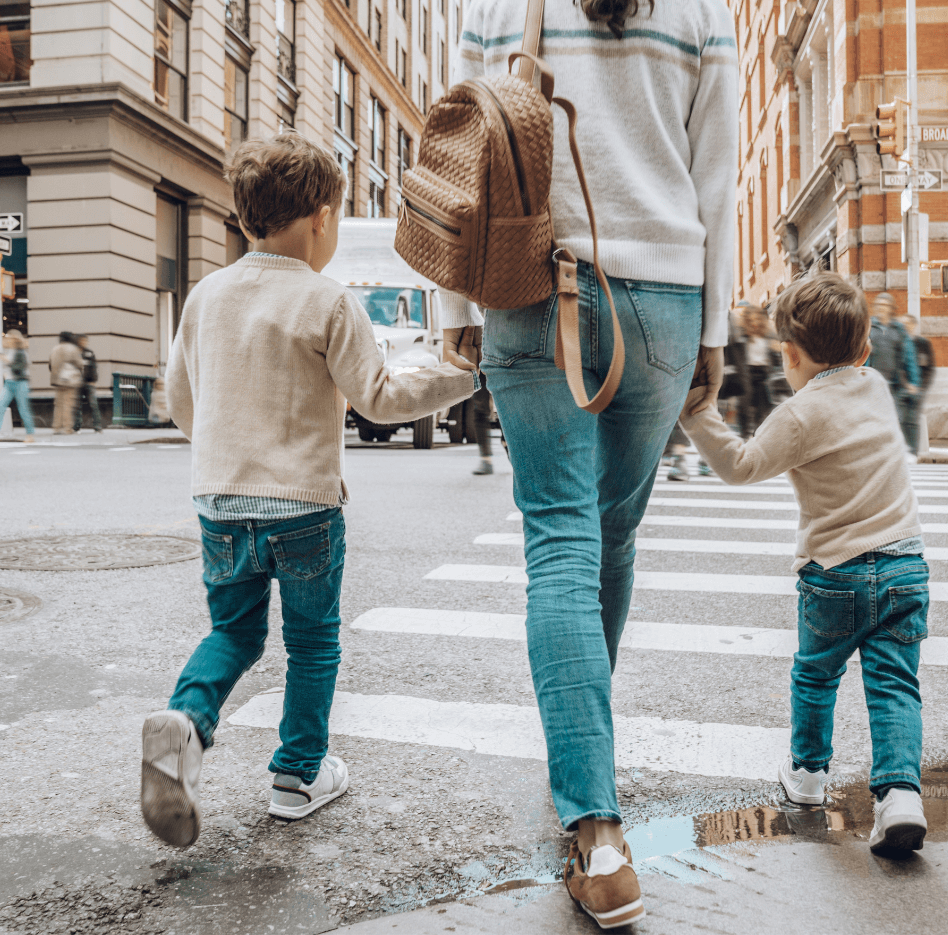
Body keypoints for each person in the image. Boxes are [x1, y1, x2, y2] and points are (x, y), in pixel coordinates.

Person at [453, 0, 737, 925]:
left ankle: (597, 827)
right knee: (608, 539)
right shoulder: (704, 11)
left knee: (562, 546)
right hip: (662, 298)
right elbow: (717, 177)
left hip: (529, 282)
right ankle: (590, 788)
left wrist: (449, 306)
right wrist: (716, 325)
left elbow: (464, 151)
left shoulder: (496, 5)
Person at [139, 132, 476, 850]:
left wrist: (220, 453)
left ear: (241, 217)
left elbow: (179, 398)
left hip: (222, 502)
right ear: (322, 217)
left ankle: (187, 718)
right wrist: (457, 375)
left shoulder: (205, 295)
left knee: (234, 632)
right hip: (304, 508)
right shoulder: (327, 301)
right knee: (314, 643)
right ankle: (296, 774)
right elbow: (380, 398)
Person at [679, 272, 929, 858]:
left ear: (789, 354)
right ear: (865, 350)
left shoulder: (800, 414)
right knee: (895, 686)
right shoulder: (875, 386)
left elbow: (740, 466)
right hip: (904, 567)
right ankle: (900, 795)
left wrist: (697, 413)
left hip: (835, 573)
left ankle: (809, 777)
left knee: (816, 675)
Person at [439, 291, 495, 475]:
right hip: (476, 347)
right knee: (480, 407)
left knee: (506, 405)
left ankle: (509, 447)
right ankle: (485, 458)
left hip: (496, 345)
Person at [865, 293, 920, 456]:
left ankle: (894, 452)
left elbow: (910, 356)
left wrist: (914, 382)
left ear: (891, 309)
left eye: (885, 305)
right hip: (873, 383)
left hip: (895, 383)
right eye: (879, 305)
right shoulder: (870, 328)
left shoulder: (899, 330)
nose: (881, 308)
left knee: (897, 419)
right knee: (873, 419)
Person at [0, 329, 34, 442]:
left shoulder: (21, 352)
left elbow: (19, 367)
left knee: (24, 409)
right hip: (9, 383)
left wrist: (5, 360)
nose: (7, 340)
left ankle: (30, 435)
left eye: (9, 338)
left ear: (15, 339)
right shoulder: (11, 351)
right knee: (0, 406)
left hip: (20, 383)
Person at [739, 306, 780, 437]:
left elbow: (775, 359)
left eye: (757, 319)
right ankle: (744, 434)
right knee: (744, 406)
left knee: (763, 407)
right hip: (748, 374)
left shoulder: (767, 337)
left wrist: (775, 350)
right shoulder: (743, 338)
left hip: (763, 375)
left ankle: (758, 436)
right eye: (751, 320)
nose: (754, 322)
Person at [901, 315, 933, 448]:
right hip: (901, 388)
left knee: (913, 421)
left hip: (918, 389)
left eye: (907, 323)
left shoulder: (923, 344)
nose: (904, 326)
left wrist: (921, 388)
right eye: (903, 324)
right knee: (901, 420)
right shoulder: (899, 342)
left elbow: (929, 369)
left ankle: (913, 450)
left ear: (914, 325)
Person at [49, 331, 84, 435]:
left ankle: (56, 427)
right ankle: (67, 428)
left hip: (57, 380)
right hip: (70, 381)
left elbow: (50, 364)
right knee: (68, 404)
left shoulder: (55, 349)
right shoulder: (73, 349)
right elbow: (80, 364)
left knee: (58, 404)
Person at [73, 334, 103, 432]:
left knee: (93, 404)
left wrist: (93, 380)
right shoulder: (74, 353)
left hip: (88, 383)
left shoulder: (89, 353)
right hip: (77, 383)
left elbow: (94, 367)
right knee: (77, 406)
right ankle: (76, 426)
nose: (84, 343)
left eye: (85, 341)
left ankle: (98, 426)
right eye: (82, 341)